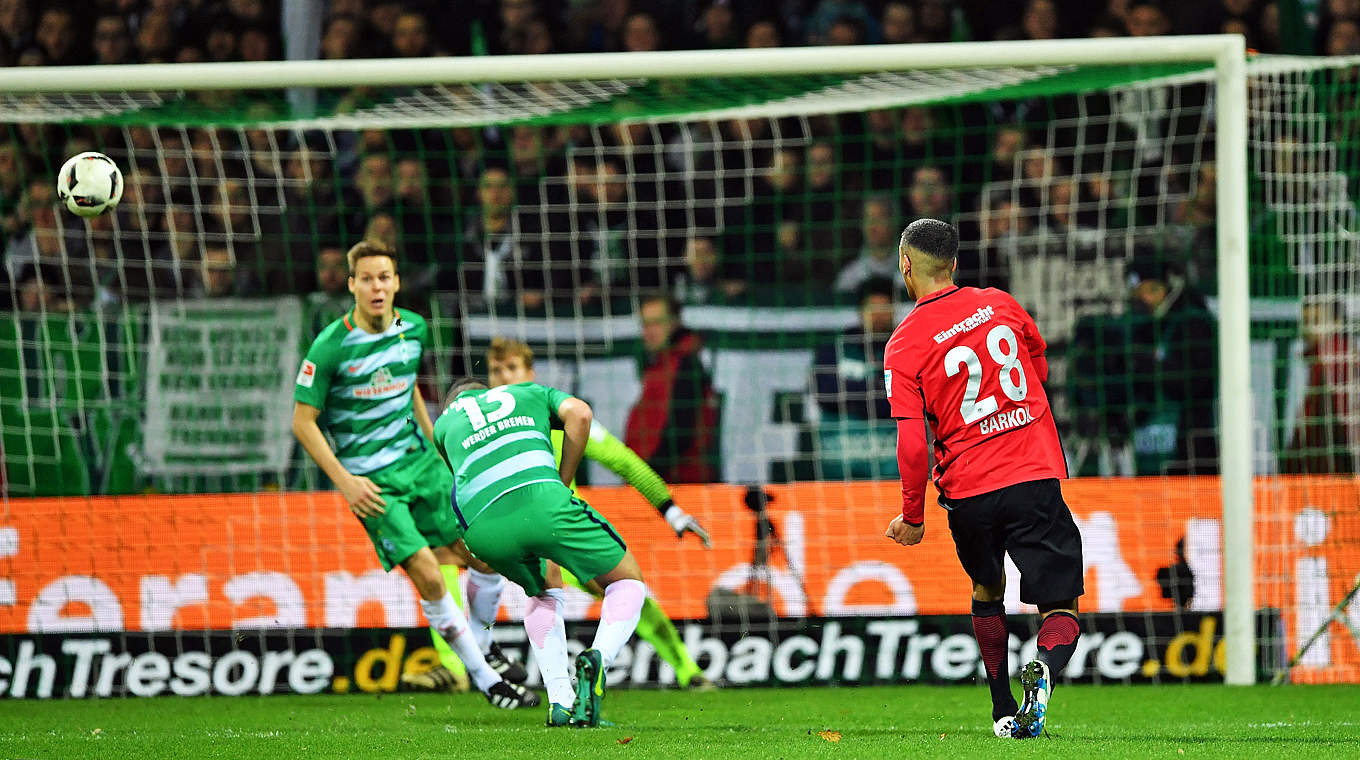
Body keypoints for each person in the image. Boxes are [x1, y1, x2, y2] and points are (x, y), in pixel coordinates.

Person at [290, 240, 537, 710]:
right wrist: (345, 481)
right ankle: (488, 681)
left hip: (423, 466)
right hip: (372, 483)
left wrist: (442, 447)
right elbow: (303, 422)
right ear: (352, 286)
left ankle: (483, 647)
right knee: (428, 573)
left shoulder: (415, 329)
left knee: (484, 552)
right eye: (366, 279)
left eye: (384, 277)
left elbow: (411, 394)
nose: (376, 286)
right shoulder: (330, 347)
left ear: (396, 282)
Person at [883, 219, 1083, 740]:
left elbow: (911, 443)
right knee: (1060, 606)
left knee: (986, 587)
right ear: (954, 263)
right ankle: (1043, 665)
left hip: (968, 489)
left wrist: (912, 514)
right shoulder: (1000, 304)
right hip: (1031, 472)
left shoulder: (903, 345)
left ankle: (1000, 706)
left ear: (906, 264)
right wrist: (1023, 410)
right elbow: (1037, 358)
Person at [479, 337, 715, 689]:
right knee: (447, 572)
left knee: (623, 588)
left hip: (547, 538)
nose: (503, 378)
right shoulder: (479, 425)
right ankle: (466, 669)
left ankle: (687, 672)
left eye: (511, 369)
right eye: (496, 371)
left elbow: (622, 461)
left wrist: (670, 509)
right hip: (505, 536)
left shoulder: (558, 414)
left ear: (530, 374)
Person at [432, 377, 650, 728]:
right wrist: (562, 482)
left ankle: (561, 703)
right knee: (627, 581)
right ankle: (599, 658)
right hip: (543, 502)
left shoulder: (443, 426)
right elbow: (580, 413)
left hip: (481, 532)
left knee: (542, 587)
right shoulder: (526, 392)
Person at [624, 294, 720, 483]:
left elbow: (681, 431)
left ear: (675, 323)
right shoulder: (662, 364)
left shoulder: (685, 364)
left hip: (676, 487)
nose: (649, 331)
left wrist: (646, 477)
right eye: (645, 324)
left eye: (657, 323)